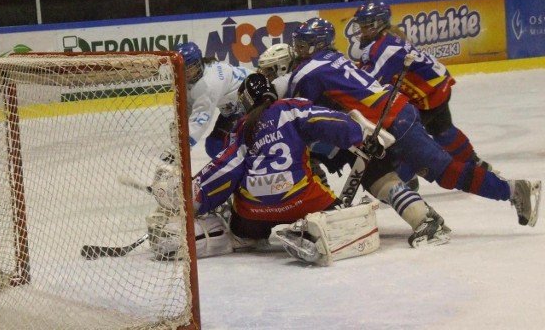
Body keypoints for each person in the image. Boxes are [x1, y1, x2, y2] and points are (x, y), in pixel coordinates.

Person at [286, 17, 541, 230]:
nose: (297, 49)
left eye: (301, 44)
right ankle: (418, 206)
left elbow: (301, 115)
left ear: (316, 44)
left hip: (393, 121)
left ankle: (513, 190)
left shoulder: (307, 72)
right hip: (396, 115)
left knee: (446, 172)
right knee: (380, 173)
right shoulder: (336, 59)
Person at [148, 73, 385, 262]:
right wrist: (361, 136)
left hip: (254, 214)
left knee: (239, 222)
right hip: (302, 201)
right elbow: (327, 121)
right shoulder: (291, 108)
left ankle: (240, 237)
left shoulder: (241, 128)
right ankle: (314, 228)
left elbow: (224, 168)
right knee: (336, 211)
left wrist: (193, 196)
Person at [258, 42, 453, 248]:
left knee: (378, 179)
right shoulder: (311, 71)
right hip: (354, 134)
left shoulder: (291, 81)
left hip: (351, 136)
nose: (267, 76)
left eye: (270, 70)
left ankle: (425, 219)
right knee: (377, 179)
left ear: (281, 67)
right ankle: (423, 216)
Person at [352, 0, 494, 188]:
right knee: (443, 130)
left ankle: (407, 180)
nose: (362, 31)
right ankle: (476, 164)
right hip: (436, 86)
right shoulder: (384, 41)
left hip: (428, 95)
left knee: (397, 139)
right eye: (361, 26)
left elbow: (367, 81)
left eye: (366, 26)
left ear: (378, 25)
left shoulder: (384, 49)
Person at [163, 42, 255, 161]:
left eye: (191, 68)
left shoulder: (209, 83)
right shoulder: (194, 78)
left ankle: (252, 166)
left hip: (254, 103)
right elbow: (190, 105)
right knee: (215, 145)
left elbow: (201, 118)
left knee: (253, 142)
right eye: (182, 69)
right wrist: (181, 124)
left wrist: (182, 146)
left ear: (199, 63)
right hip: (234, 107)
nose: (187, 73)